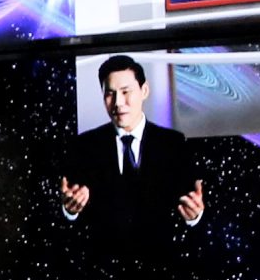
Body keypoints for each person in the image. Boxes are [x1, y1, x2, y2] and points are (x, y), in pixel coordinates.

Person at [59, 50, 203, 252]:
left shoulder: (174, 144)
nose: (118, 102)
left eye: (126, 92)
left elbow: (193, 214)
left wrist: (194, 217)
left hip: (161, 261)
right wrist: (69, 211)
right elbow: (67, 227)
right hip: (103, 263)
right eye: (110, 93)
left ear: (144, 91)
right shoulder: (84, 146)